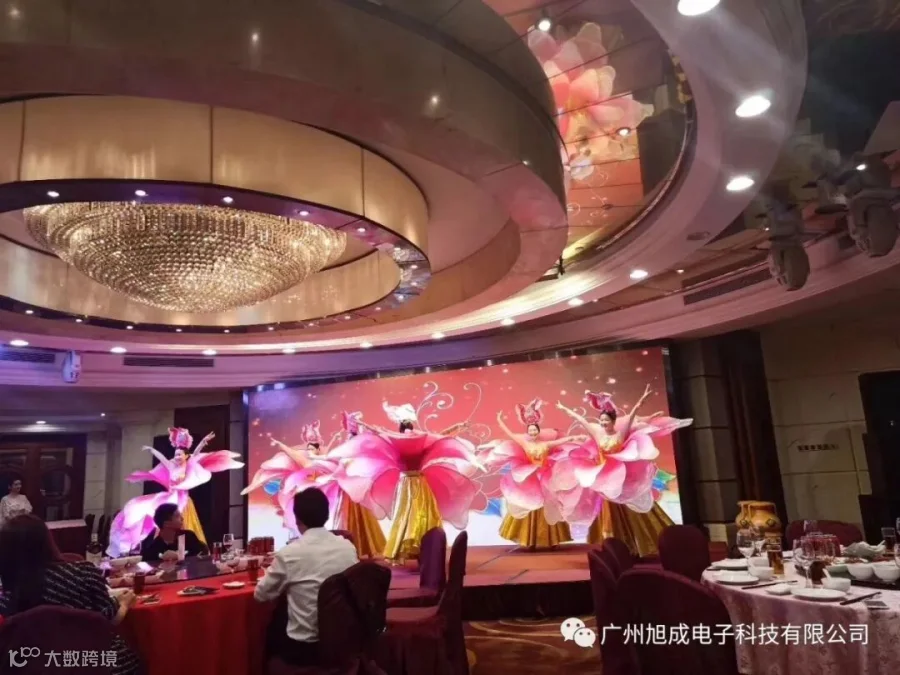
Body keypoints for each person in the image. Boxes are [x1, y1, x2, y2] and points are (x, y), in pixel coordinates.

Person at [331, 401, 481, 562]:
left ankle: (409, 546)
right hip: (419, 484)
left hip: (406, 484)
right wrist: (458, 427)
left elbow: (377, 432)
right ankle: (424, 547)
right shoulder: (419, 440)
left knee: (407, 515)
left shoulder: (396, 440)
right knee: (421, 514)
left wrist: (362, 424)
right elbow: (442, 435)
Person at [554, 387, 692, 556]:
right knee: (608, 516)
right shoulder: (597, 434)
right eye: (601, 420)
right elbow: (581, 420)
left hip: (624, 480)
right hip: (604, 481)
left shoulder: (620, 434)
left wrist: (642, 399)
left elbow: (632, 415)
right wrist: (564, 409)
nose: (603, 423)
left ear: (613, 421)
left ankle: (640, 544)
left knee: (633, 513)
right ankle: (612, 549)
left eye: (606, 420)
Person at [0, 514, 143, 675]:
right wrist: (123, 603)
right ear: (47, 541)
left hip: (38, 667)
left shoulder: (9, 596)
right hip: (103, 664)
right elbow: (107, 618)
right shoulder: (84, 571)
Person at [254, 488, 358, 667]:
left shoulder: (290, 554)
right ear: (326, 514)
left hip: (304, 649)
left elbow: (261, 595)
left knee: (274, 625)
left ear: (297, 519)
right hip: (345, 643)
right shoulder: (347, 547)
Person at [107, 427, 244, 556]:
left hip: (183, 501)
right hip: (171, 499)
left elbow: (196, 453)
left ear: (186, 456)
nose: (177, 457)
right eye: (175, 454)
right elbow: (162, 458)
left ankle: (189, 551)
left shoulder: (188, 465)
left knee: (185, 526)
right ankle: (160, 551)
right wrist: (152, 450)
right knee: (155, 519)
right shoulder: (171, 466)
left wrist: (203, 441)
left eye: (179, 454)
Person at [479, 399, 585, 549]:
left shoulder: (545, 444)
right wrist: (499, 420)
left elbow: (562, 441)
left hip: (546, 477)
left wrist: (576, 438)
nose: (533, 432)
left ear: (538, 430)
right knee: (528, 503)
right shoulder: (524, 443)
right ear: (528, 432)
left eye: (535, 430)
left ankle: (551, 539)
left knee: (550, 505)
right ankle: (528, 539)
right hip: (529, 479)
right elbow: (509, 433)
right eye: (530, 430)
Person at [139, 503, 208, 562]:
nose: (182, 518)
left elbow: (203, 552)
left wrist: (180, 557)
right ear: (166, 523)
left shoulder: (188, 536)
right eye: (177, 516)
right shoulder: (153, 548)